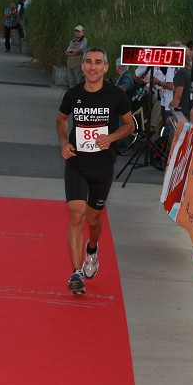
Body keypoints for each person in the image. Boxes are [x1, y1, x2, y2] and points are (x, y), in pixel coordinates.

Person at [56, 47, 134, 295]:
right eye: (88, 62)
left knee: (93, 219)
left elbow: (130, 125)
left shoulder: (116, 95)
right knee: (76, 214)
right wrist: (63, 143)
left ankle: (92, 248)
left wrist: (111, 137)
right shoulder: (73, 94)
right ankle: (77, 272)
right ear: (82, 66)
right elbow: (61, 120)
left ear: (105, 68)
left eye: (98, 62)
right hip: (76, 163)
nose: (92, 67)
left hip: (103, 166)